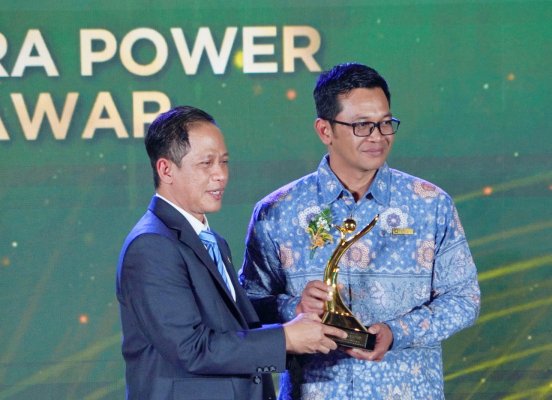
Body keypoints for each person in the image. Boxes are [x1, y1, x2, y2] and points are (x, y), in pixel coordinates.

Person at [240, 63, 481, 399]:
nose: (378, 136)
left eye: (385, 123)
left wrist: (397, 332)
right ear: (325, 130)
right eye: (362, 125)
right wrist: (293, 308)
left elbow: (465, 299)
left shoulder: (430, 204)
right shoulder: (278, 211)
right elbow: (247, 305)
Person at [116, 106, 347, 400]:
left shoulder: (211, 241)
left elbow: (234, 330)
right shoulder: (151, 245)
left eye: (224, 162)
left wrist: (295, 314)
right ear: (166, 170)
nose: (220, 175)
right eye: (206, 163)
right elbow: (191, 349)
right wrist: (286, 338)